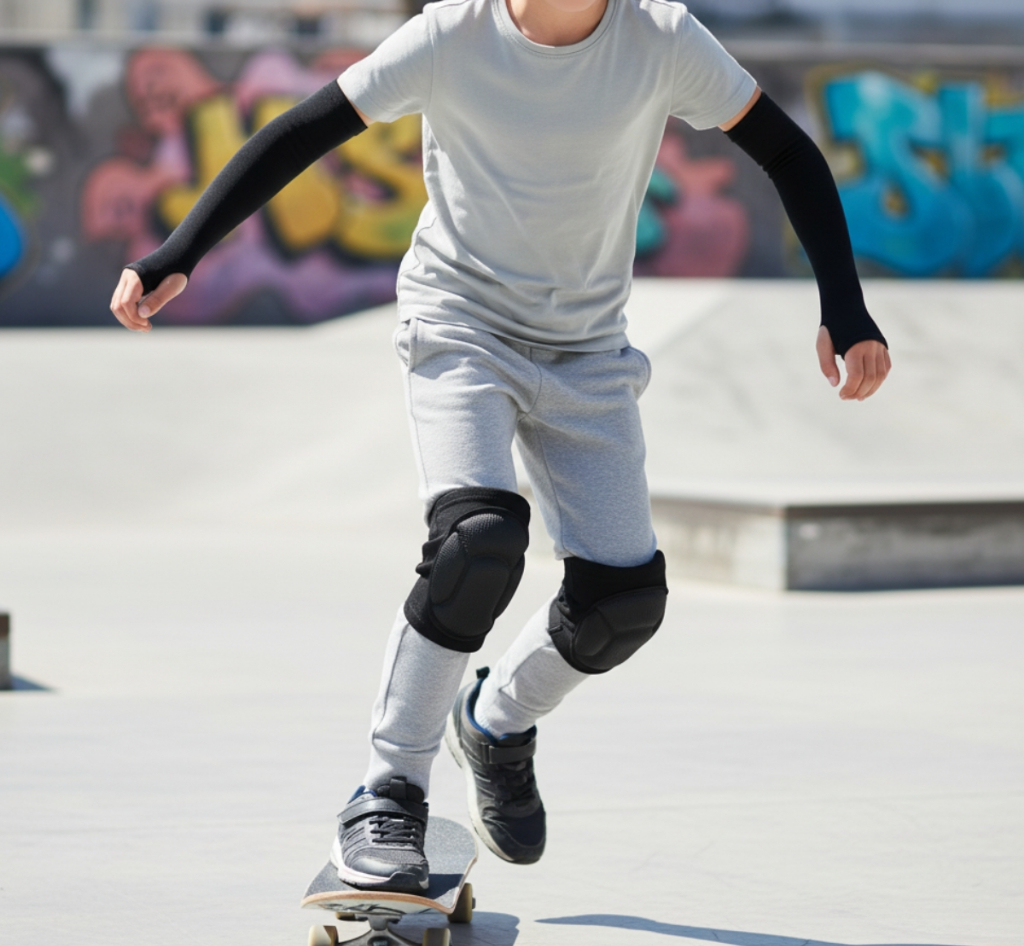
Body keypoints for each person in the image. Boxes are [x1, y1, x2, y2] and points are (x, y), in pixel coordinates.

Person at [110, 0, 891, 893]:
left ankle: (496, 719)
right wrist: (184, 248)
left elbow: (786, 149)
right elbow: (304, 129)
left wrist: (843, 302)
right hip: (461, 327)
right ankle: (389, 788)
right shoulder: (452, 33)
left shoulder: (662, 37)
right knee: (476, 544)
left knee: (623, 600)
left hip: (587, 352)